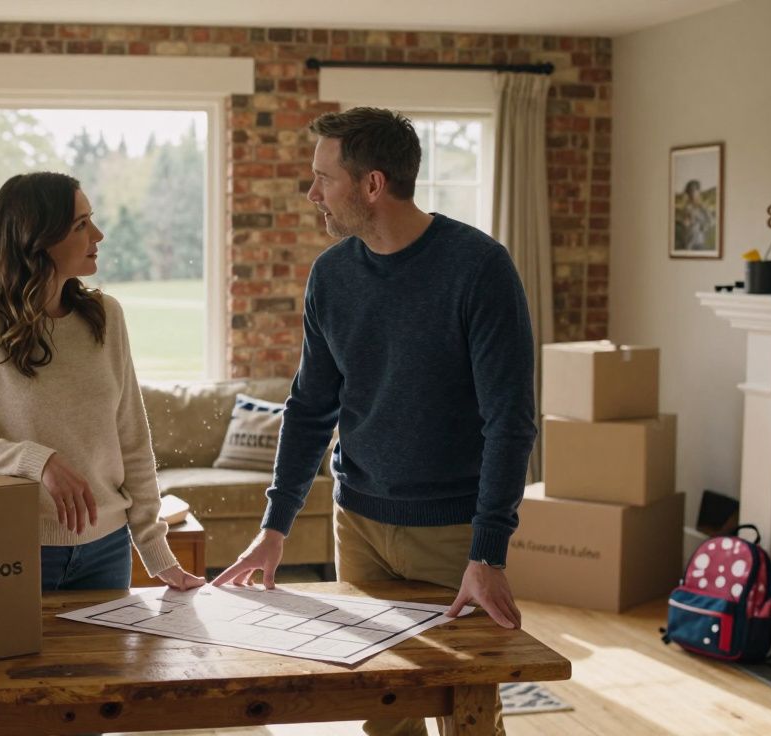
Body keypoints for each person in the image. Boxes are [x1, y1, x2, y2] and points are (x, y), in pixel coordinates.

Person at [212, 108, 536, 736]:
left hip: (451, 532)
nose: (312, 196)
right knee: (382, 710)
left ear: (371, 185)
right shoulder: (331, 276)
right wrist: (275, 525)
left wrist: (488, 550)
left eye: (322, 179)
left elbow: (511, 421)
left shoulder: (480, 268)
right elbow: (310, 408)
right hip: (357, 522)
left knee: (465, 710)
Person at [0, 171, 204, 593]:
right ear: (37, 239)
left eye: (91, 220)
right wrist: (40, 462)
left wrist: (154, 547)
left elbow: (132, 439)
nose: (99, 234)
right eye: (80, 225)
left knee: (111, 664)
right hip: (17, 550)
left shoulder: (106, 316)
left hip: (108, 550)